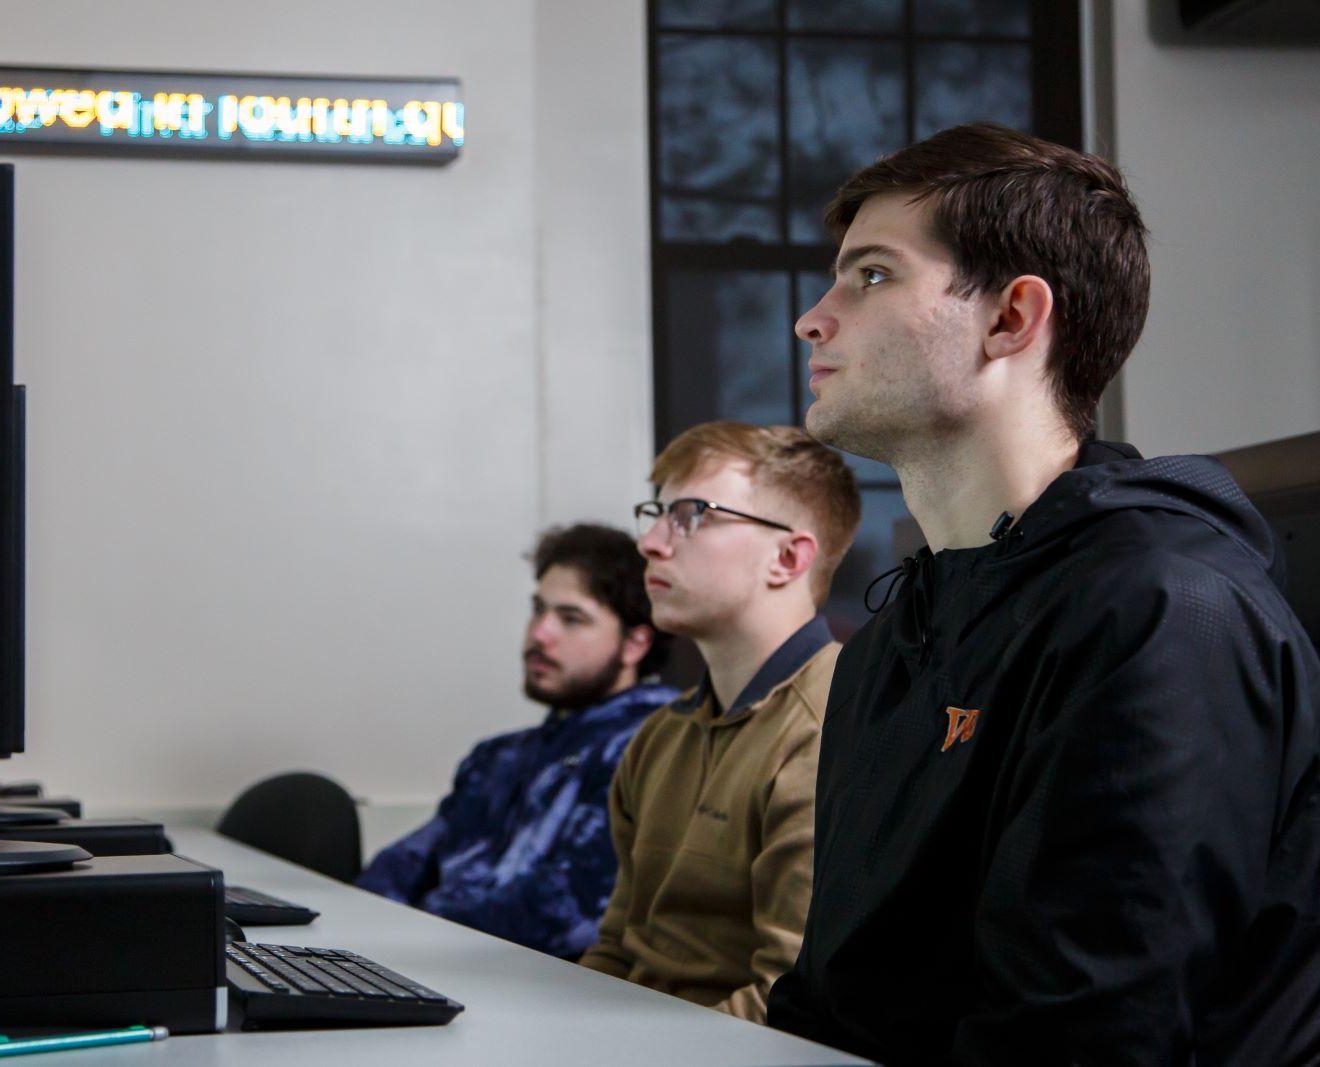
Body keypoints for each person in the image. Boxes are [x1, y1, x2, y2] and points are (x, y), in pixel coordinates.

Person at [768, 122, 1320, 1065]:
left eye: (870, 276)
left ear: (1012, 319)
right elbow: (834, 999)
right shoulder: (891, 639)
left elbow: (1089, 1038)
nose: (811, 318)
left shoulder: (1160, 612)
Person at [579, 422, 860, 1024]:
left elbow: (787, 1003)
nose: (650, 542)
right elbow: (616, 953)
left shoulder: (834, 729)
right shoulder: (660, 737)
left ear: (787, 558)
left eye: (691, 514)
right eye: (657, 513)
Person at [356, 523, 676, 958]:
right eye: (538, 610)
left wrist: (409, 943)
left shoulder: (651, 747)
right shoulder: (499, 757)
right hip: (434, 970)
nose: (540, 634)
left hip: (537, 995)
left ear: (635, 643)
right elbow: (395, 872)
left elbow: (559, 920)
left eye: (571, 618)